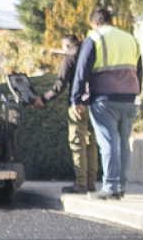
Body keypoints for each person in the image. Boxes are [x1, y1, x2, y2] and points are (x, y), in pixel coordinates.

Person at [70, 7, 141, 200]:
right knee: (124, 143)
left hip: (104, 98)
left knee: (108, 142)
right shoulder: (130, 39)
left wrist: (76, 99)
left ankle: (110, 187)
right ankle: (120, 186)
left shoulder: (94, 38)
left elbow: (81, 70)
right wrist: (136, 92)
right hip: (129, 97)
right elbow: (138, 69)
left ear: (94, 22)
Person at [36, 34, 99, 194]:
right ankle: (91, 183)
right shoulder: (93, 52)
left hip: (78, 105)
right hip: (96, 103)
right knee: (91, 144)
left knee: (78, 144)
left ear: (66, 46)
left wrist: (44, 99)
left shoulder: (69, 57)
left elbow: (61, 83)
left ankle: (80, 184)